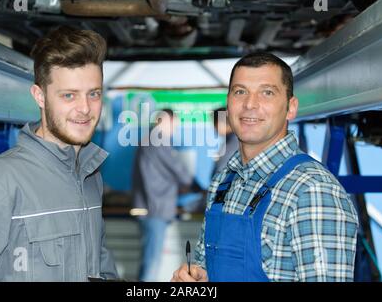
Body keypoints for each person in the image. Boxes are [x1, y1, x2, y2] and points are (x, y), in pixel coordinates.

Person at [0, 26, 118, 281]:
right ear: (40, 96)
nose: (85, 108)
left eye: (93, 94)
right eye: (69, 95)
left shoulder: (90, 176)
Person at [172, 52, 359, 282]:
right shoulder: (224, 183)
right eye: (240, 92)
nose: (250, 104)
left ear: (291, 108)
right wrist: (199, 276)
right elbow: (211, 265)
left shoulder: (313, 192)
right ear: (229, 105)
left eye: (267, 92)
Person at [132, 109, 201, 282]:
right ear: (164, 121)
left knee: (149, 259)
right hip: (155, 208)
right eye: (174, 124)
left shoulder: (149, 140)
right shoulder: (158, 140)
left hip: (150, 207)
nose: (175, 129)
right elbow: (178, 170)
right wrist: (196, 186)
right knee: (152, 262)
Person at [212, 107, 238, 175]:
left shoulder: (234, 142)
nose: (214, 127)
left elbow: (221, 170)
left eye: (214, 122)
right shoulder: (231, 140)